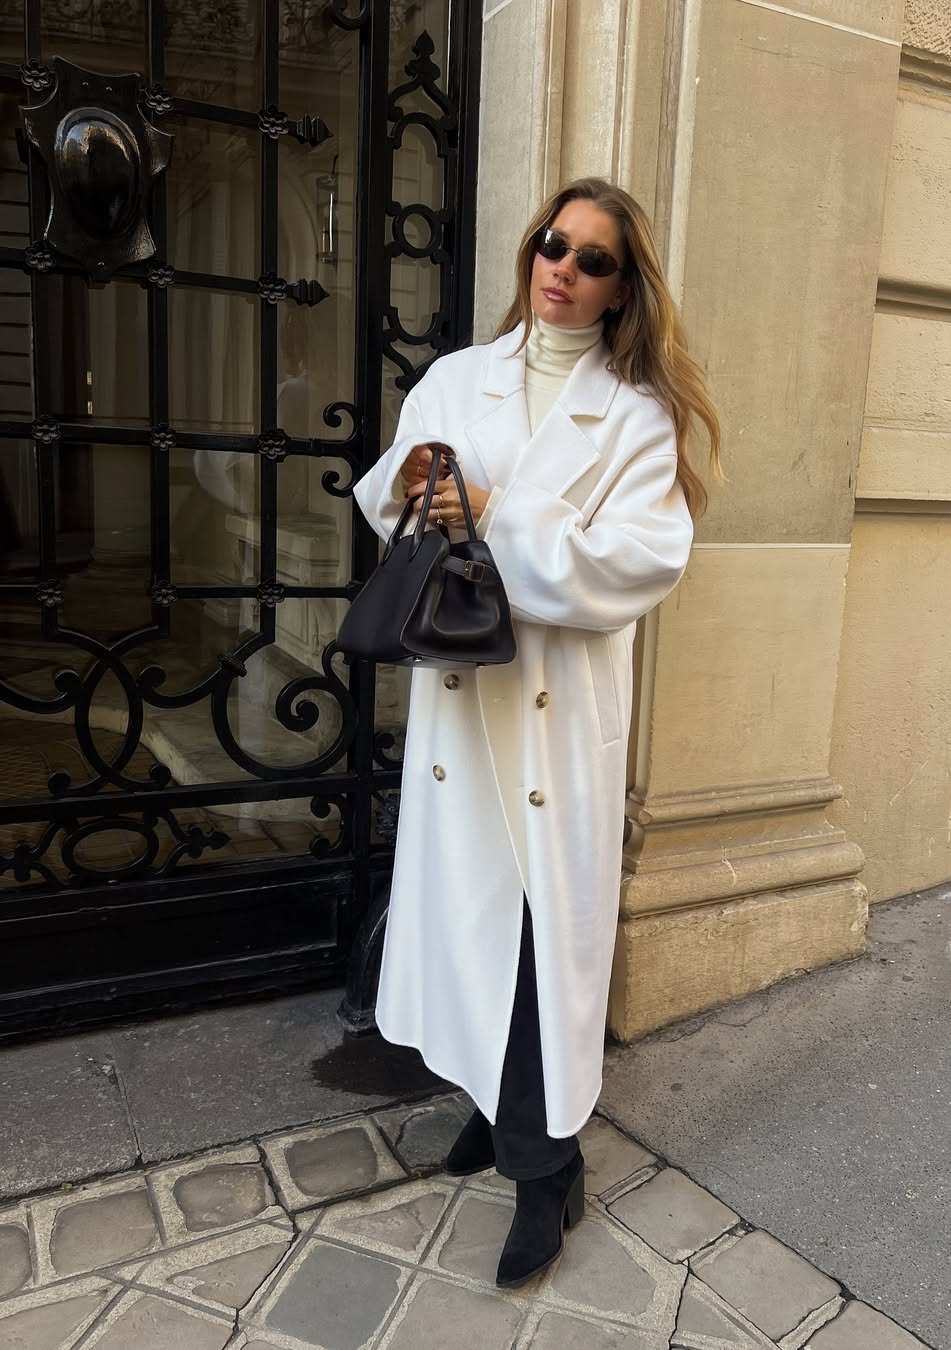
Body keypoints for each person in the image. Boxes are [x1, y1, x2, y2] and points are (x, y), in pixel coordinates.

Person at [353, 177, 722, 1288]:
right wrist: (412, 483)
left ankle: (544, 1166)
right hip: (462, 714)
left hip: (551, 720)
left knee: (529, 941)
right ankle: (494, 1108)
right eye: (552, 244)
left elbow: (640, 561)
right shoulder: (459, 378)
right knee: (466, 927)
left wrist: (500, 515)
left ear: (622, 289)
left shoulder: (638, 415)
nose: (561, 266)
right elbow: (389, 491)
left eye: (593, 258)